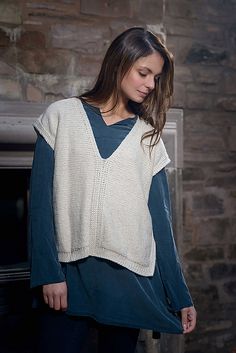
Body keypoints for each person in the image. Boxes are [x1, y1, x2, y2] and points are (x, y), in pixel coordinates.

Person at [29, 27, 197, 353]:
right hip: (68, 278)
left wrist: (180, 296)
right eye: (143, 72)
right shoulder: (61, 117)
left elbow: (160, 225)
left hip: (128, 285)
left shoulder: (148, 138)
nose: (150, 84)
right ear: (119, 64)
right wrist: (48, 274)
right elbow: (40, 205)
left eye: (156, 77)